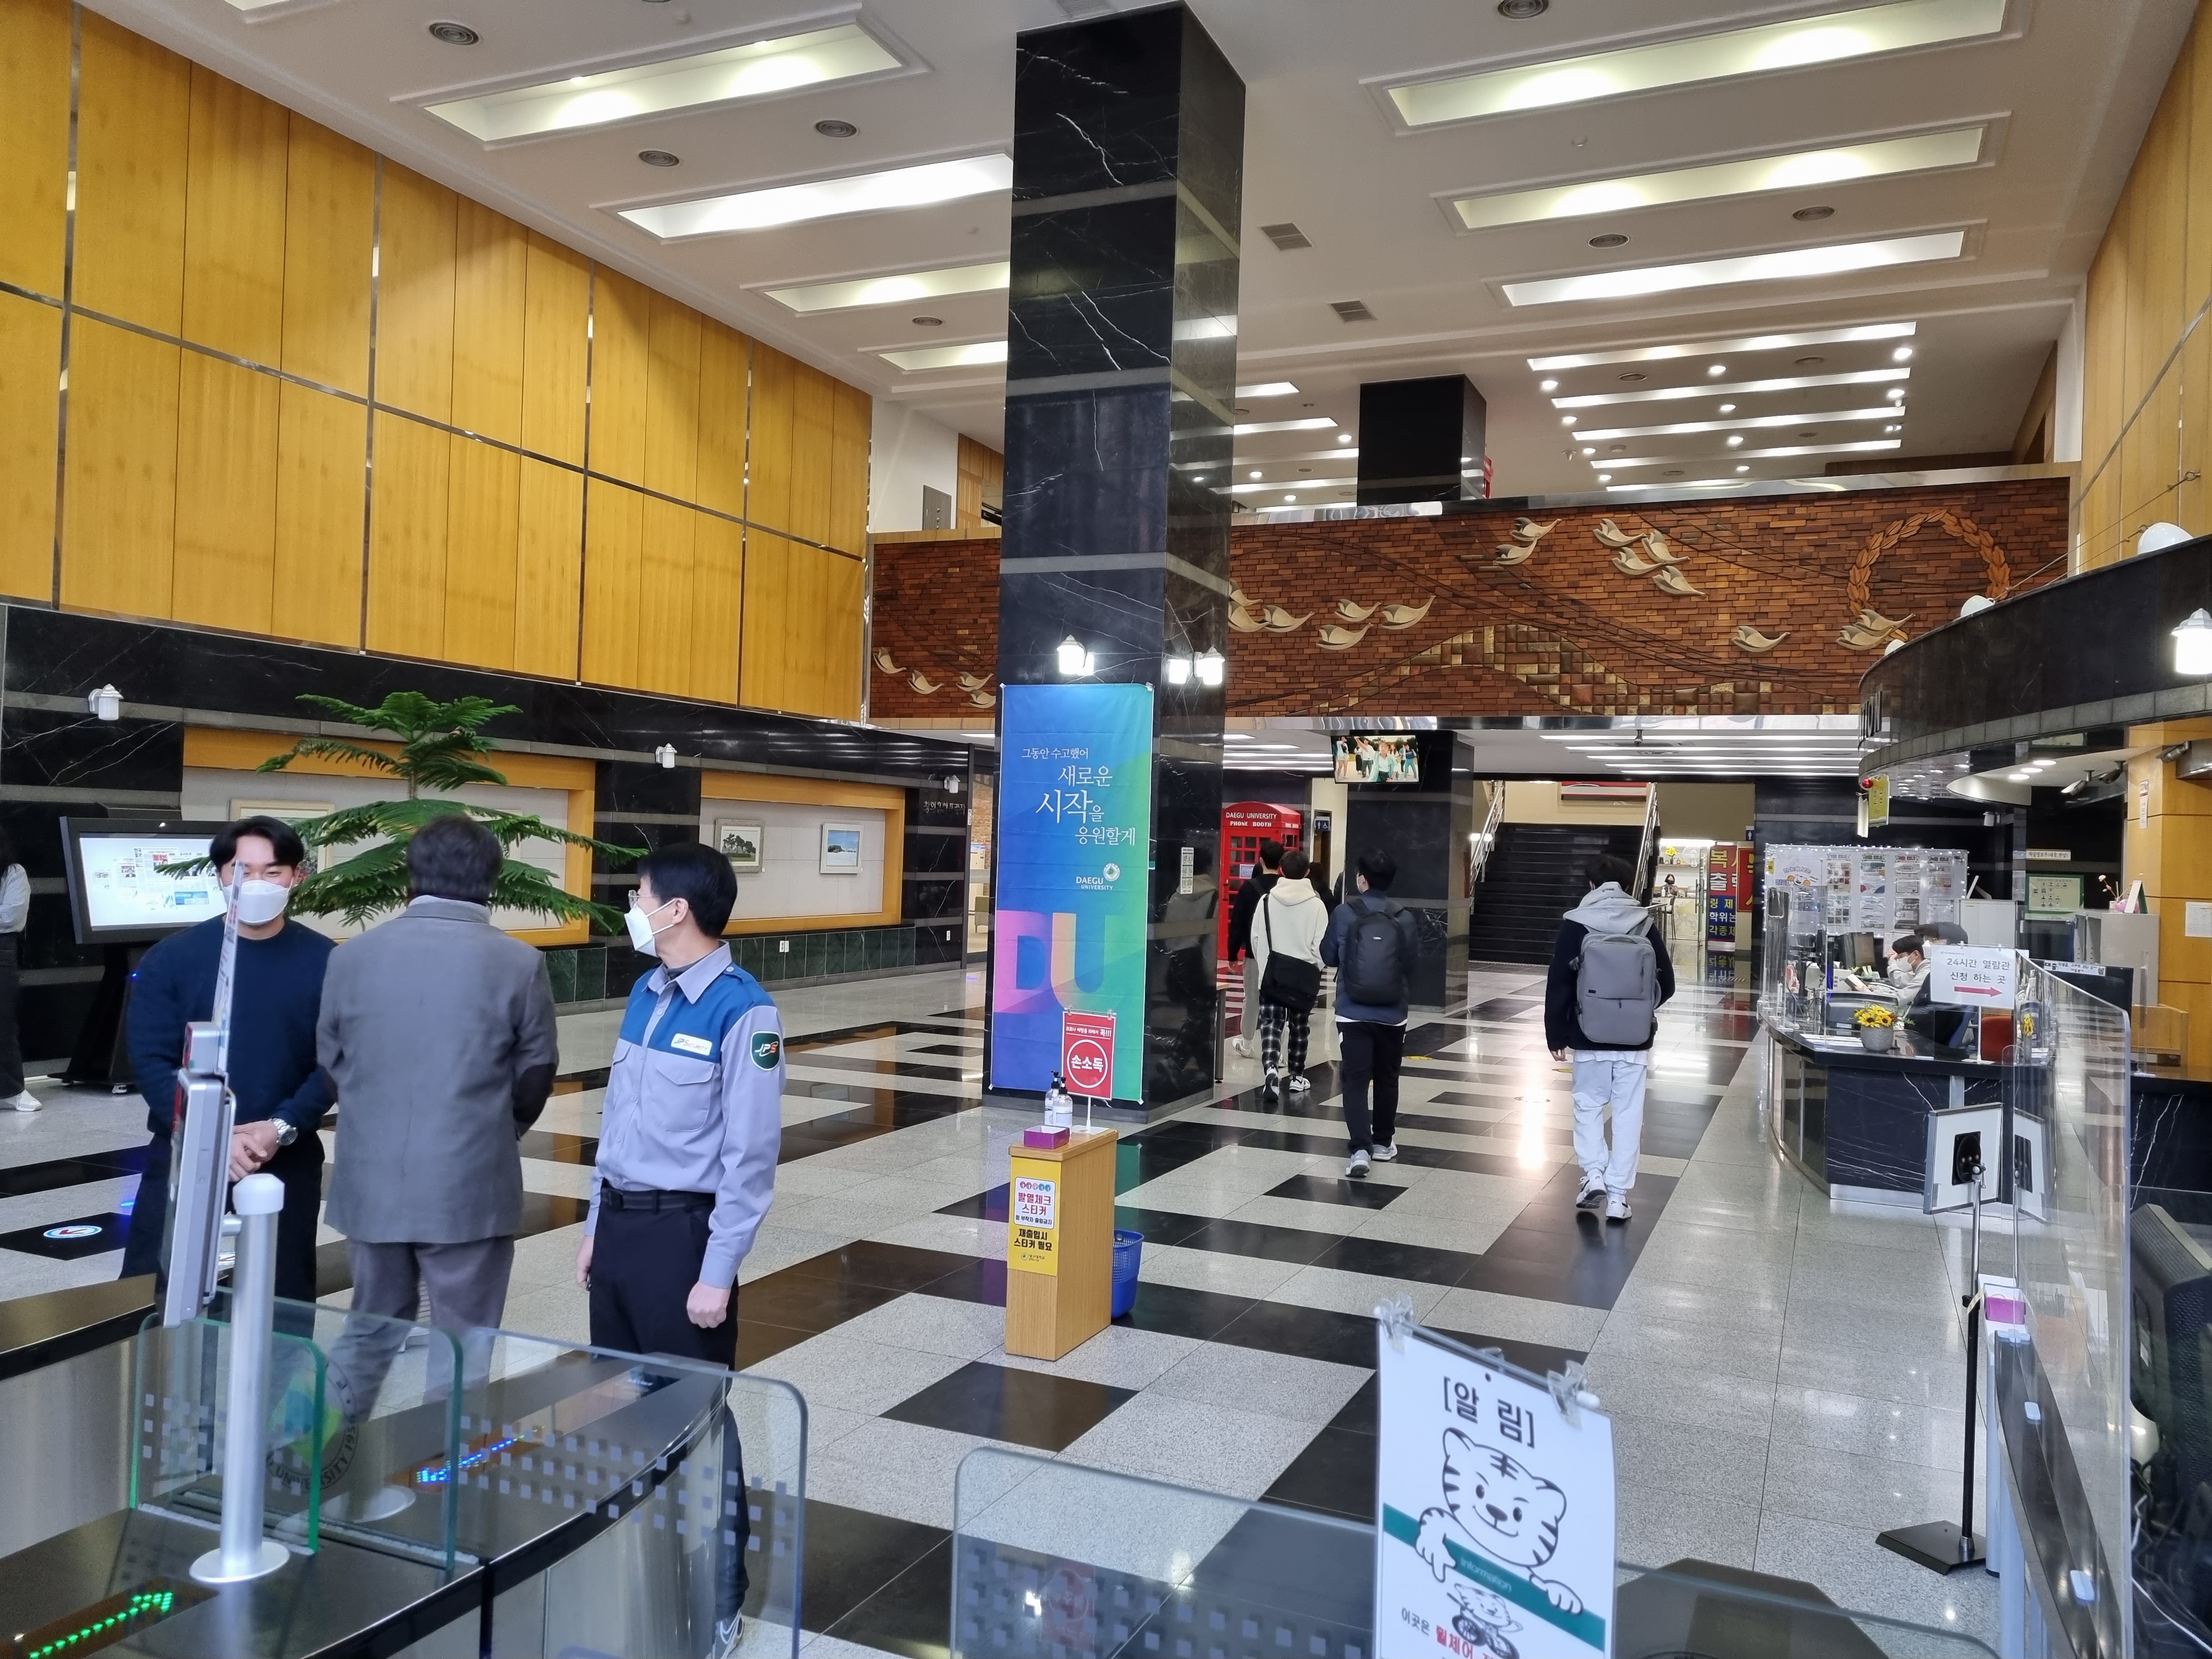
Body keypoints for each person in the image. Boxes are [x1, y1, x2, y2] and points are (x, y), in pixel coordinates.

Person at [577, 841, 783, 1651]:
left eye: (639, 895)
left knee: (697, 1421)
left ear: (675, 910)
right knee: (622, 1407)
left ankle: (720, 1597)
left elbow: (750, 1158)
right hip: (622, 1230)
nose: (632, 907)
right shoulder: (645, 991)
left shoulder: (743, 1011)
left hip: (683, 1239)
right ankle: (639, 1571)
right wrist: (594, 1230)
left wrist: (717, 1272)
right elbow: (616, 1127)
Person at [318, 814, 558, 1348]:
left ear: (412, 875)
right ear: (491, 879)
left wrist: (373, 1118)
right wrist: (499, 1131)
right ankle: (445, 1413)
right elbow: (536, 1072)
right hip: (470, 1182)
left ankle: (337, 1410)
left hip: (371, 1178)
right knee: (462, 1346)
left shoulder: (349, 957)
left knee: (368, 1331)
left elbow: (331, 1066)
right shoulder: (519, 962)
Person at [120, 816, 332, 1301]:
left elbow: (337, 1062)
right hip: (184, 1150)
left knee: (282, 1299)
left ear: (296, 876)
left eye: (273, 872)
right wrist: (209, 1132)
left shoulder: (327, 961)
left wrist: (279, 1127)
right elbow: (152, 1061)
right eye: (242, 869)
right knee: (157, 1294)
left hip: (284, 1155)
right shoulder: (171, 960)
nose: (256, 883)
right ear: (219, 874)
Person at [1544, 854, 1674, 1223]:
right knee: (1629, 1113)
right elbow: (1667, 983)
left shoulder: (1576, 923)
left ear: (1591, 884)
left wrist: (1556, 1033)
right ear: (1628, 885)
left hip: (1588, 1035)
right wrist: (1637, 1010)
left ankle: (1594, 1176)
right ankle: (1618, 1197)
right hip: (1635, 1040)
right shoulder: (1644, 924)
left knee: (1588, 1106)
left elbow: (1559, 984)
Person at [1321, 848, 1419, 1177]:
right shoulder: (1404, 917)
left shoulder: (1344, 913)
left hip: (1352, 1011)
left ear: (1362, 879)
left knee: (1355, 1079)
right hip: (1393, 1013)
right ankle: (1383, 1143)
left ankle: (1360, 1150)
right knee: (1387, 1077)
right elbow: (1411, 965)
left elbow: (1329, 957)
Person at [1251, 848, 1330, 1101]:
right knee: (1300, 1025)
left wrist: (1265, 966)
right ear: (1307, 873)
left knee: (1271, 1024)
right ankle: (1296, 1077)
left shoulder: (1266, 901)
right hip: (1303, 976)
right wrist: (1315, 967)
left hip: (1272, 975)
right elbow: (1321, 945)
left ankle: (1271, 1070)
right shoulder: (1317, 905)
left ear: (1281, 871)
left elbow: (1255, 938)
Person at [1226, 839, 1283, 1059]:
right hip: (1283, 956)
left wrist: (1233, 954)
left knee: (1251, 999)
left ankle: (1248, 1044)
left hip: (1254, 953)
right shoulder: (1286, 888)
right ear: (1282, 862)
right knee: (1280, 1002)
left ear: (1260, 860)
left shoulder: (1249, 888)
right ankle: (1278, 1050)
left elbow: (1238, 924)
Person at [0, 830, 32, 1111]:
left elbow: (11, 916)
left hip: (2, 950)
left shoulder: (13, 872)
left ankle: (13, 1090)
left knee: (3, 1021)